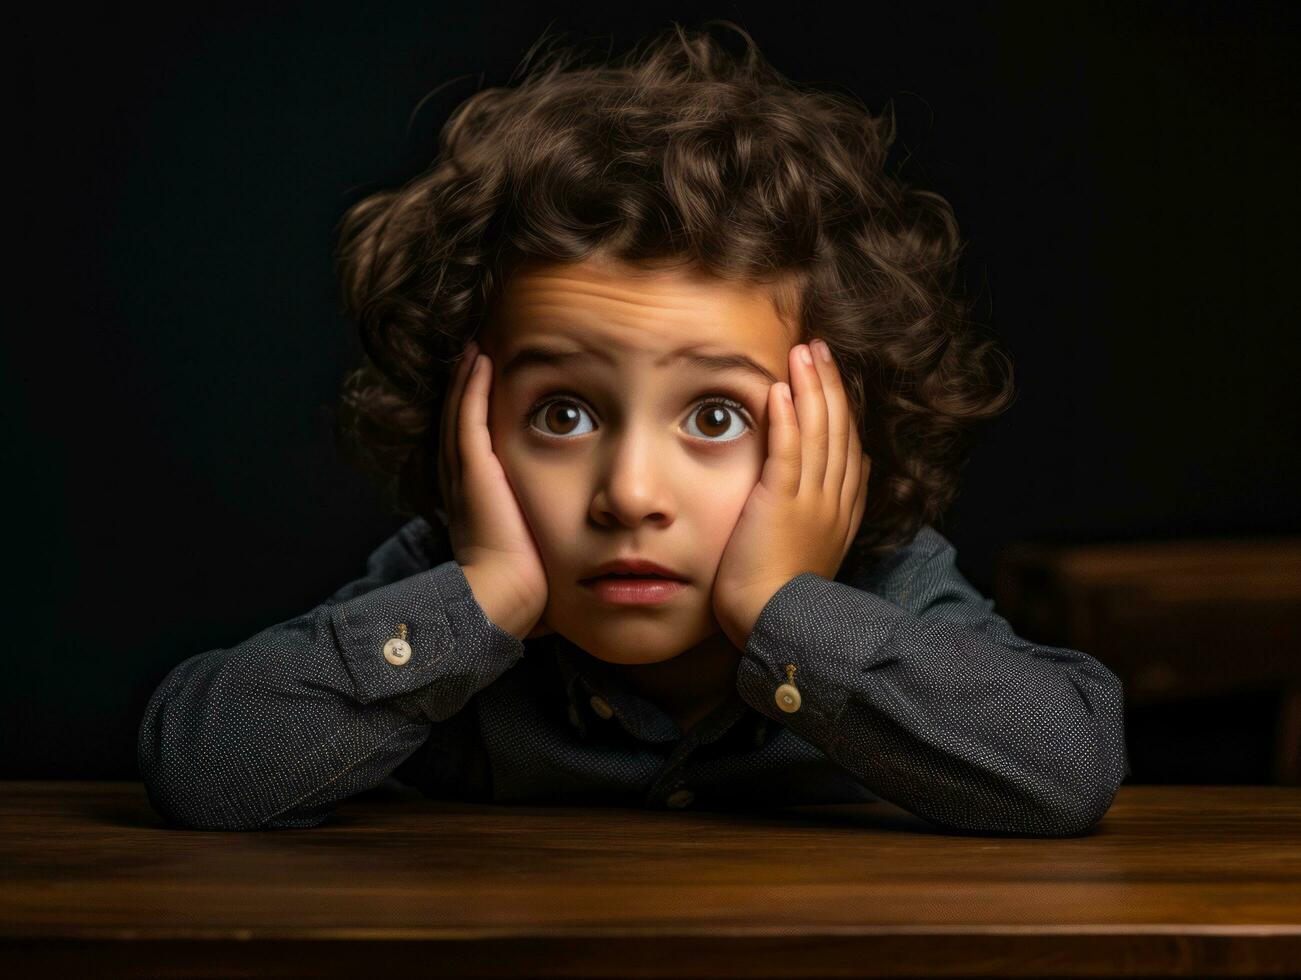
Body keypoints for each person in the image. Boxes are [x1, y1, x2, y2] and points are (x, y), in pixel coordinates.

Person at [137, 21, 1130, 835]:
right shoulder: (462, 577)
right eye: (562, 414)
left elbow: (1068, 767)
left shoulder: (875, 579)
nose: (628, 492)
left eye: (713, 414)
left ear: (833, 431)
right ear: (469, 426)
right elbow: (201, 766)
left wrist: (783, 608)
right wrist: (483, 599)